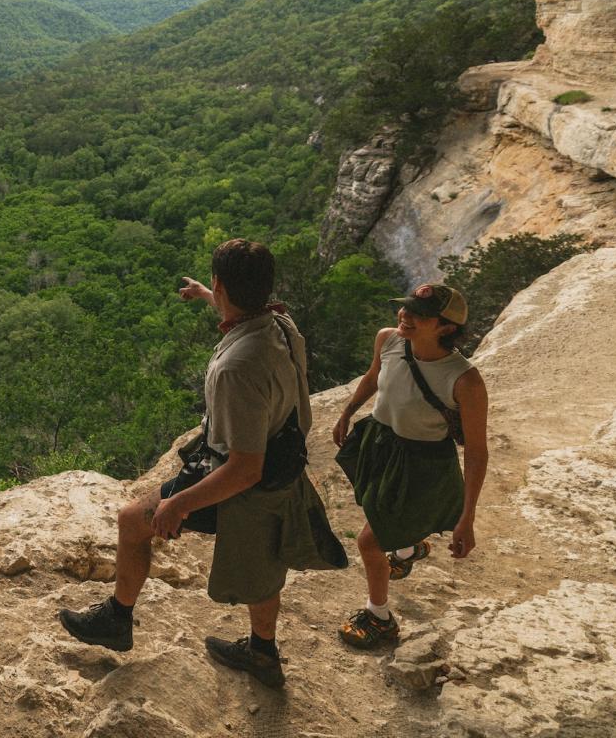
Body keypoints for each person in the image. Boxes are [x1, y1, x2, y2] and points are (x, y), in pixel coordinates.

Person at [57, 238, 342, 689]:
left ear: (221, 283)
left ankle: (118, 619)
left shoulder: (238, 369)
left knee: (134, 520)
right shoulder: (281, 325)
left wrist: (178, 505)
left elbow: (245, 467)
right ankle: (263, 652)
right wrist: (208, 296)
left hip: (241, 478)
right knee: (265, 563)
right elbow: (241, 311)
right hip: (282, 465)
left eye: (215, 289)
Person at [331, 283, 489, 648]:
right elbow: (373, 378)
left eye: (419, 314)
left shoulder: (464, 380)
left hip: (421, 464)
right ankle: (406, 549)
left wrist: (468, 517)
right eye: (405, 308)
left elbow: (477, 451)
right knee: (374, 504)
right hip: (381, 444)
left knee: (369, 541)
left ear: (446, 328)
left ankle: (379, 617)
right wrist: (348, 411)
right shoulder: (388, 340)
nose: (405, 315)